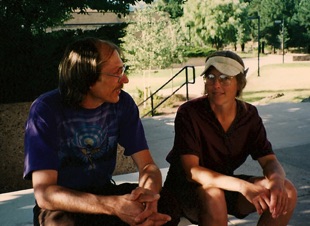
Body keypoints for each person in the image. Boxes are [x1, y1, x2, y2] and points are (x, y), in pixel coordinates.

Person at [23, 37, 173, 226]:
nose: (125, 80)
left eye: (123, 70)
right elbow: (45, 193)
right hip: (63, 204)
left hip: (104, 191)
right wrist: (113, 206)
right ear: (87, 77)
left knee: (168, 204)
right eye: (117, 73)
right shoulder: (46, 109)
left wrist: (148, 196)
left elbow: (147, 166)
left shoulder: (122, 104)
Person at [163, 51, 297, 226]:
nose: (216, 84)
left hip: (226, 184)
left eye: (225, 77)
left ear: (239, 83)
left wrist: (276, 181)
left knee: (285, 191)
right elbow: (191, 172)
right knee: (214, 196)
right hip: (185, 191)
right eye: (211, 77)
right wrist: (243, 186)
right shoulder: (189, 113)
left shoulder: (249, 115)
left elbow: (269, 160)